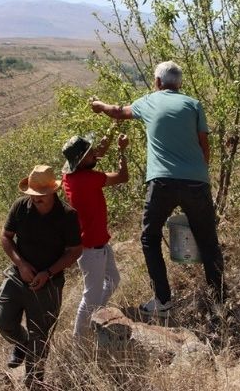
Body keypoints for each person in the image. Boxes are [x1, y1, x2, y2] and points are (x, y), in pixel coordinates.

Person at [91, 61, 225, 317]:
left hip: (162, 181)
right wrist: (200, 175)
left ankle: (163, 300)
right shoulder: (193, 104)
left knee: (149, 237)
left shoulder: (149, 101)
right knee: (208, 241)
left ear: (157, 82)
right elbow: (204, 145)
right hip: (196, 181)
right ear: (180, 84)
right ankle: (219, 302)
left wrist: (99, 106)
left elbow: (118, 112)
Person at [0, 165, 82, 388]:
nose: (35, 200)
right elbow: (5, 237)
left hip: (49, 284)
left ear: (54, 192)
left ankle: (34, 383)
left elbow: (75, 250)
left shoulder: (68, 215)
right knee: (3, 322)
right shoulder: (20, 207)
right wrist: (21, 264)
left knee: (40, 337)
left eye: (40, 196)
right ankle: (21, 345)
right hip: (18, 276)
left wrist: (49, 273)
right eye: (32, 196)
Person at [61, 132, 129, 337]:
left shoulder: (70, 176)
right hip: (92, 248)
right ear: (82, 161)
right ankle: (79, 341)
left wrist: (108, 138)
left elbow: (94, 156)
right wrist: (122, 151)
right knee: (90, 296)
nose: (95, 155)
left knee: (113, 280)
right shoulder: (89, 179)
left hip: (96, 244)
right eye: (90, 153)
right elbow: (123, 177)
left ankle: (94, 317)